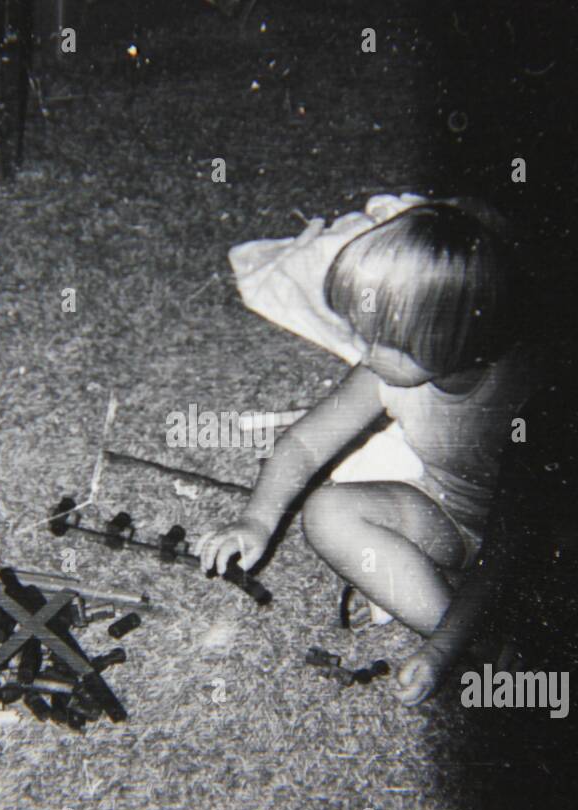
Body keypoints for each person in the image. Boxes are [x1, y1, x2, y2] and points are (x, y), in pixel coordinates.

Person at [198, 201, 538, 704]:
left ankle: (467, 635)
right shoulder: (386, 371)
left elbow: (515, 541)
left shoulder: (519, 401)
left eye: (380, 339)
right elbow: (307, 441)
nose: (363, 348)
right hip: (454, 517)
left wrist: (442, 650)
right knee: (328, 511)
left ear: (448, 342)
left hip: (532, 544)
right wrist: (257, 520)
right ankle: (477, 639)